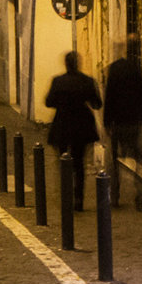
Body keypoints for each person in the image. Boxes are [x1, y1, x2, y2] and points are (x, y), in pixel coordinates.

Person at [44, 51, 103, 212]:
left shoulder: (58, 81)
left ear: (66, 64)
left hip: (62, 125)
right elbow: (97, 104)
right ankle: (79, 199)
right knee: (79, 164)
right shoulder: (87, 81)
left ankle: (66, 196)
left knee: (63, 163)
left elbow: (49, 102)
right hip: (82, 126)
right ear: (78, 64)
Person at [104, 35, 142, 211]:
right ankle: (140, 195)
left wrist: (107, 122)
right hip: (134, 121)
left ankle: (114, 196)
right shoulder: (136, 69)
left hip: (117, 122)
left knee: (114, 160)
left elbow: (109, 96)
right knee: (138, 159)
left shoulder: (115, 69)